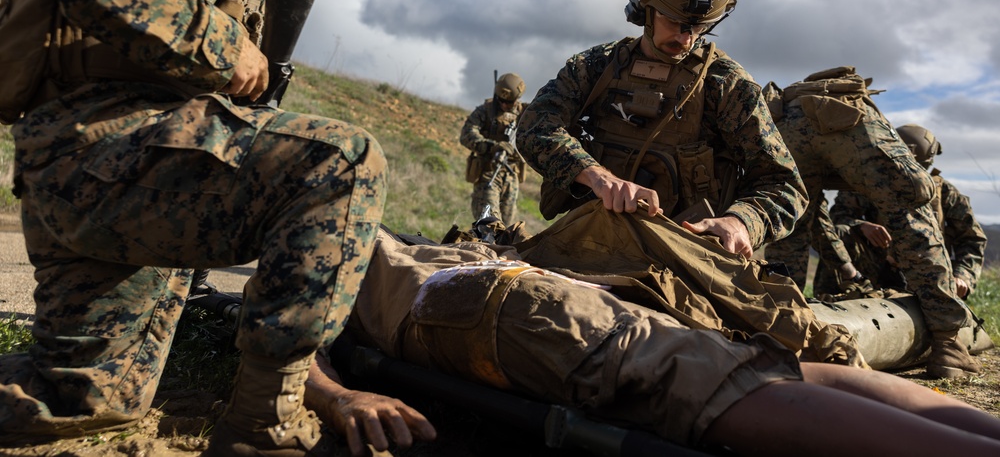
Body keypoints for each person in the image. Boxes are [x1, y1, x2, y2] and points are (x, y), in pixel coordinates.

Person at [0, 0, 387, 455]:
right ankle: (261, 428)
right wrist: (221, 41)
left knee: (86, 401)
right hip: (105, 157)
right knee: (342, 161)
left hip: (105, 174)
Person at [302, 226, 1000, 457]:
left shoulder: (325, 219)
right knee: (740, 374)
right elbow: (281, 339)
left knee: (753, 372)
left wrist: (335, 392)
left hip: (518, 300)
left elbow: (281, 330)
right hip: (507, 304)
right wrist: (340, 396)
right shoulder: (326, 231)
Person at [517, 0, 807, 258]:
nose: (686, 38)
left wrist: (741, 222)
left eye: (698, 26)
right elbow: (535, 127)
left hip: (683, 260)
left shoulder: (727, 85)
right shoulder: (595, 67)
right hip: (584, 245)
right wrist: (597, 177)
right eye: (674, 22)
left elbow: (784, 185)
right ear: (646, 6)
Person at [762, 69, 980, 379]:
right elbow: (900, 216)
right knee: (912, 214)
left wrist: (964, 276)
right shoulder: (859, 122)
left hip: (783, 124)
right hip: (841, 123)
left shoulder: (951, 196)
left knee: (792, 223)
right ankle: (948, 346)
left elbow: (815, 222)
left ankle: (780, 335)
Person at [820, 124, 988, 300]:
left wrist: (962, 277)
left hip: (925, 270)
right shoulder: (869, 184)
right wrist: (862, 226)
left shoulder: (946, 194)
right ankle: (831, 299)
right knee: (839, 233)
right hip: (873, 270)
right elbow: (836, 217)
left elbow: (972, 239)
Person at [460, 72, 527, 225]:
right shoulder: (485, 111)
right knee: (489, 224)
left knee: (509, 228)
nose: (504, 105)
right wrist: (492, 146)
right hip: (489, 172)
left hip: (511, 176)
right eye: (501, 100)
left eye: (509, 102)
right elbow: (467, 134)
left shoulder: (525, 114)